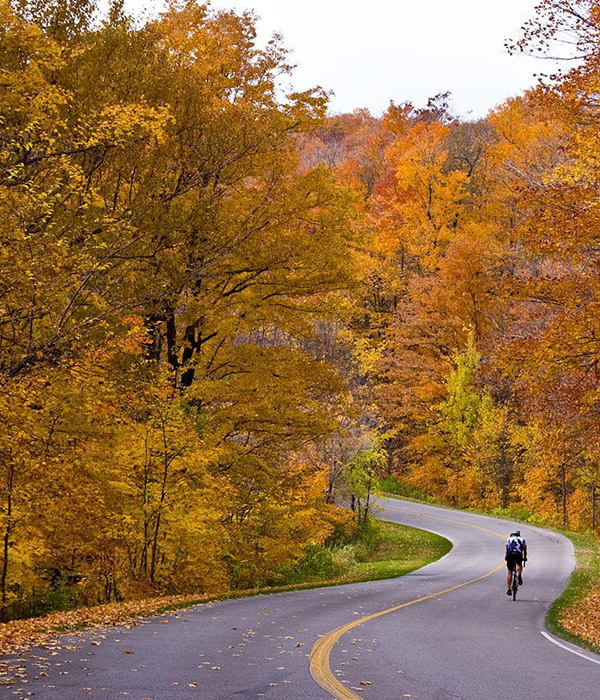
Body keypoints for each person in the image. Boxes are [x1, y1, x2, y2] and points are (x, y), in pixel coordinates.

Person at [505, 529, 527, 595]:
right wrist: (525, 557)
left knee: (509, 572)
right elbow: (524, 550)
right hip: (518, 554)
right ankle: (519, 575)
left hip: (510, 555)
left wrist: (506, 557)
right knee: (519, 564)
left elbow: (507, 549)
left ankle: (509, 589)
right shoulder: (522, 539)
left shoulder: (509, 539)